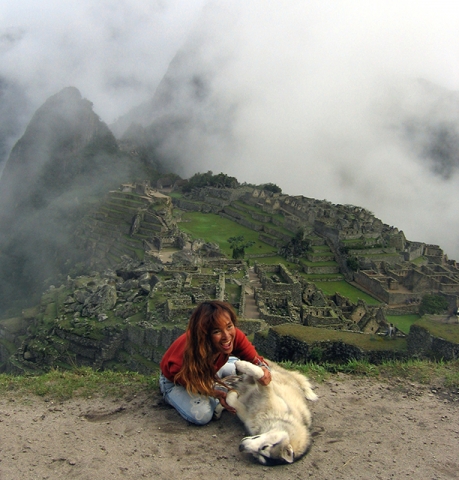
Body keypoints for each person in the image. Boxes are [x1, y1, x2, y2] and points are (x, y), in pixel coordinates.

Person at [159, 300, 271, 425]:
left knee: (245, 369)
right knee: (203, 415)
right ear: (205, 335)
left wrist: (263, 369)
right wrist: (217, 395)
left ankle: (222, 373)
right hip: (178, 381)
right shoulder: (188, 354)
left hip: (210, 370)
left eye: (229, 326)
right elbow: (190, 382)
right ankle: (170, 396)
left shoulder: (234, 337)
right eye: (217, 331)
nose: (227, 336)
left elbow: (257, 361)